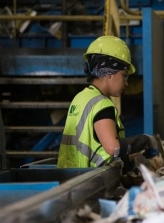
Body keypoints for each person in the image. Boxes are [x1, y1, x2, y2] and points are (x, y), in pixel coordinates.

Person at [57, 36, 158, 168]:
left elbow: (94, 147)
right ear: (110, 72)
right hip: (89, 182)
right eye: (124, 75)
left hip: (70, 178)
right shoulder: (101, 104)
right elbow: (113, 148)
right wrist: (147, 141)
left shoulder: (81, 97)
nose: (126, 83)